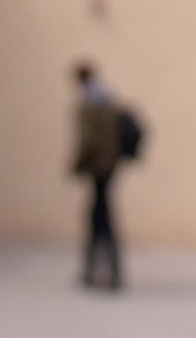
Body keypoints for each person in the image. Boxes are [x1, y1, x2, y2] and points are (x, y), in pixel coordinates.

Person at [71, 62, 122, 290]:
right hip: (109, 168)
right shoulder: (107, 98)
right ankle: (108, 272)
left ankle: (98, 272)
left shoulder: (91, 103)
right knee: (104, 221)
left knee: (98, 221)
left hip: (98, 169)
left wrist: (77, 164)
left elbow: (88, 140)